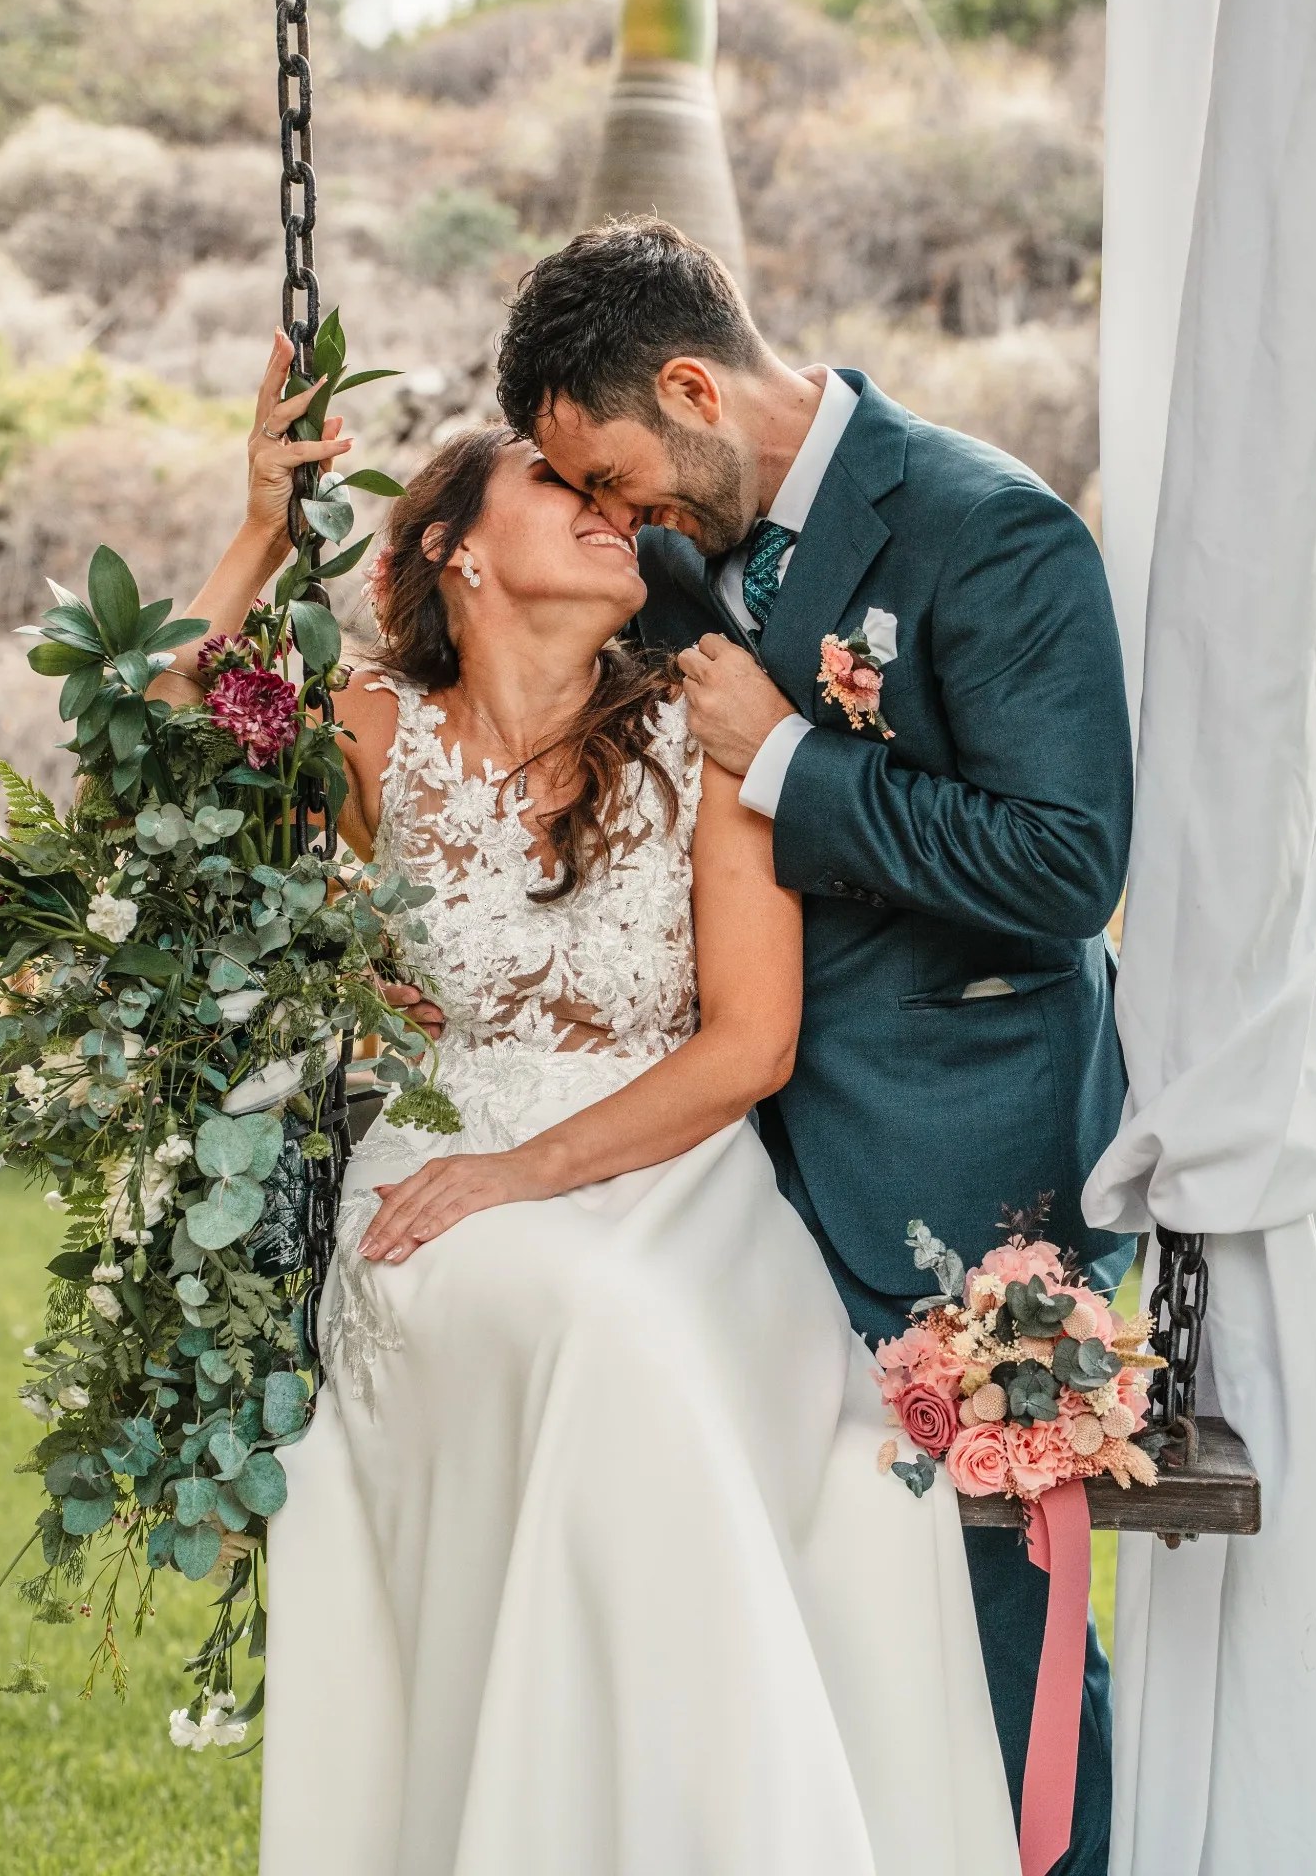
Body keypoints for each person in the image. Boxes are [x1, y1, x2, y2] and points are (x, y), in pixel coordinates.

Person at [159, 334, 1019, 1876]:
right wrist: (258, 538)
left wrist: (531, 1171)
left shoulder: (704, 732)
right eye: (559, 488)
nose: (612, 509)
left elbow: (750, 1046)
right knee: (585, 1319)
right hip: (437, 1172)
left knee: (630, 1315)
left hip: (670, 1172)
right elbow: (144, 767)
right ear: (455, 551)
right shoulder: (368, 741)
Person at [488, 218, 1137, 1876]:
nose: (618, 527)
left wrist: (791, 762)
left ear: (695, 385)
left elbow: (1070, 864)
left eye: (617, 478)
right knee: (795, 1587)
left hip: (966, 1165)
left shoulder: (991, 533)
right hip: (745, 1171)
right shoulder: (710, 544)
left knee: (987, 1593)